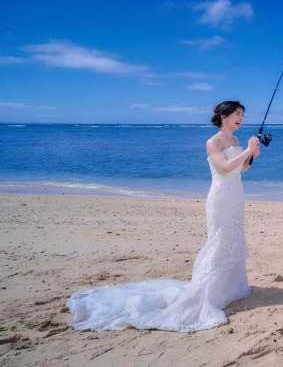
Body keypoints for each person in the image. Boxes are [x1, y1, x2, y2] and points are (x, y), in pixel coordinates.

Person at [67, 101, 261, 332]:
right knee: (219, 240)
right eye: (237, 114)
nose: (241, 118)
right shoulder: (213, 142)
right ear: (224, 116)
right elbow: (225, 167)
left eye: (242, 114)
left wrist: (252, 155)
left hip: (236, 196)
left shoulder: (236, 141)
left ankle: (228, 288)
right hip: (220, 198)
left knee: (233, 237)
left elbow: (242, 169)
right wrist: (248, 151)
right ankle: (208, 291)